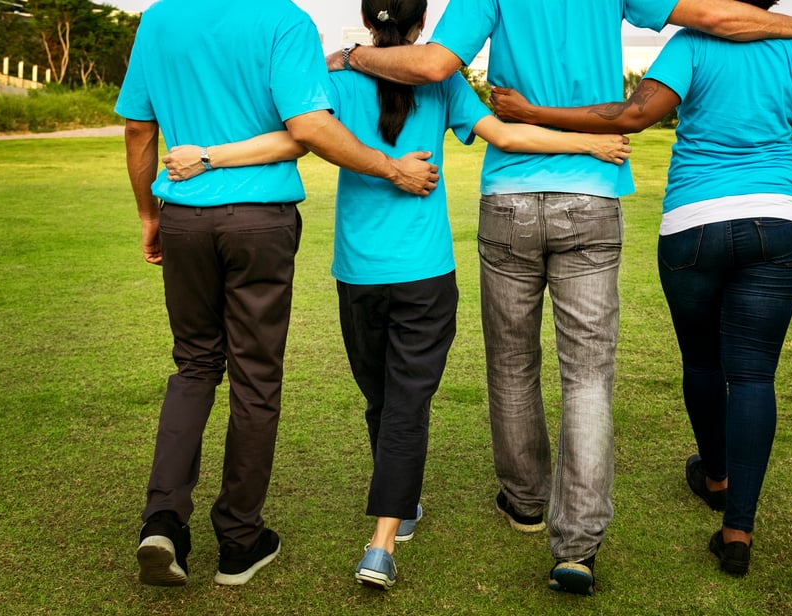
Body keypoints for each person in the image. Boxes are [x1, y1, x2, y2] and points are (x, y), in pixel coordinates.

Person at [327, 0, 792, 595]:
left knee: (512, 365)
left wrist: (357, 54)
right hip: (592, 199)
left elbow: (437, 64)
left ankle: (524, 502)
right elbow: (718, 18)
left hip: (509, 198)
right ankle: (577, 546)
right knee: (588, 376)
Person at [159, 0, 630, 591]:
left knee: (382, 398)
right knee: (403, 404)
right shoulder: (446, 84)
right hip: (425, 272)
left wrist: (208, 157)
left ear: (367, 20)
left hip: (358, 273)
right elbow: (505, 135)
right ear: (420, 28)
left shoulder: (336, 78)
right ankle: (389, 525)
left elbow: (291, 136)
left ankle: (397, 516)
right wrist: (588, 146)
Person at [491, 0, 792, 578]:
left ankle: (716, 476)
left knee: (702, 362)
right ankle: (737, 530)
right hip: (777, 222)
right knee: (753, 376)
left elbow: (630, 115)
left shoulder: (692, 45)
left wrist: (534, 111)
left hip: (692, 224)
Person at [115, 0, 440, 588]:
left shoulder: (159, 18)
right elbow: (308, 128)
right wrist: (392, 170)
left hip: (183, 216)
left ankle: (162, 520)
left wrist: (147, 213)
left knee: (193, 367)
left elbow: (139, 127)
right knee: (255, 377)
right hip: (259, 221)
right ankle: (240, 542)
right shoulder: (284, 20)